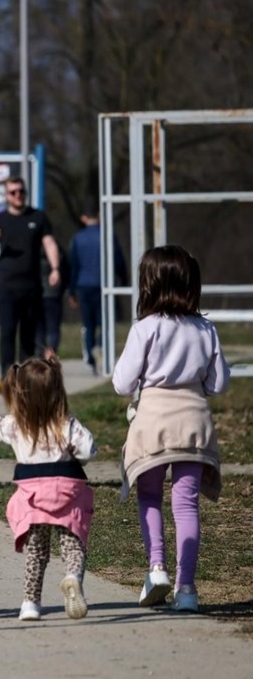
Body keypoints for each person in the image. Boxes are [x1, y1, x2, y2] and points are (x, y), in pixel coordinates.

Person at [111, 245, 229, 613]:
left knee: (150, 496)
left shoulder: (145, 329)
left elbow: (122, 382)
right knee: (186, 504)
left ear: (148, 285)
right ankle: (187, 588)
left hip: (152, 425)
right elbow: (219, 383)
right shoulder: (205, 329)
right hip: (194, 426)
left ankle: (157, 568)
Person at [0, 357, 97, 621]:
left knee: (36, 552)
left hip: (33, 498)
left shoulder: (15, 425)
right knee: (73, 545)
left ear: (19, 393)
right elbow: (88, 450)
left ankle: (30, 604)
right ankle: (73, 576)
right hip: (67, 493)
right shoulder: (67, 424)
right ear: (57, 392)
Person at [0, 177, 61, 387]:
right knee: (7, 332)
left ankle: (25, 378)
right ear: (6, 195)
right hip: (6, 287)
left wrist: (55, 268)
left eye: (21, 191)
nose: (18, 195)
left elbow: (49, 243)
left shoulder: (38, 217)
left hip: (31, 287)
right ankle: (7, 377)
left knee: (28, 335)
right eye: (13, 192)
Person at [69, 201, 127, 375]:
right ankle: (102, 347)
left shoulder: (78, 238)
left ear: (84, 218)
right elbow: (118, 260)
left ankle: (91, 357)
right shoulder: (107, 236)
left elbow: (74, 266)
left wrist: (71, 291)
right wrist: (123, 279)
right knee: (105, 322)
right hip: (104, 285)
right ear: (99, 216)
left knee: (89, 324)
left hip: (84, 285)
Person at [34, 242, 70, 360]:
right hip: (53, 293)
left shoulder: (32, 250)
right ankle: (51, 353)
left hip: (37, 294)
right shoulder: (59, 252)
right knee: (53, 328)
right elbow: (66, 271)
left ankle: (40, 353)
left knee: (39, 329)